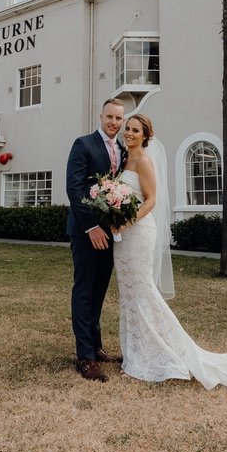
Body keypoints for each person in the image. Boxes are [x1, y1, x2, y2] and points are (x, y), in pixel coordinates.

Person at [114, 114, 227, 389]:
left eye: (136, 130)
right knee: (128, 293)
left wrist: (127, 221)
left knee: (143, 291)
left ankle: (161, 353)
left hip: (139, 232)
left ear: (146, 136)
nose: (130, 133)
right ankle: (134, 352)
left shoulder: (144, 161)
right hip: (122, 237)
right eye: (128, 129)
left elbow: (151, 200)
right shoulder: (123, 160)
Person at [65, 98, 127, 382]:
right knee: (84, 290)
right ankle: (85, 357)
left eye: (119, 118)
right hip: (86, 231)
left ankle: (97, 346)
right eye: (110, 117)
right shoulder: (83, 144)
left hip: (111, 233)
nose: (114, 122)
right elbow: (75, 188)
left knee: (100, 290)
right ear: (100, 116)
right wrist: (91, 227)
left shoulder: (123, 150)